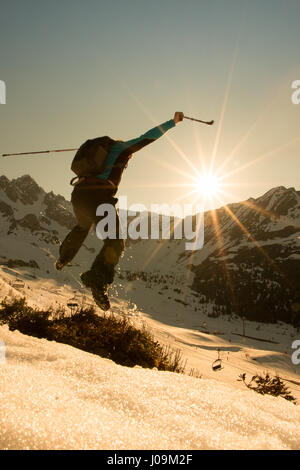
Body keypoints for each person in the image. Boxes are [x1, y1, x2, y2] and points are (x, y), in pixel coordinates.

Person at [55, 111, 184, 310]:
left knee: (82, 227)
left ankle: (64, 258)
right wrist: (172, 122)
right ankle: (97, 280)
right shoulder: (122, 149)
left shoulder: (100, 157)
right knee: (116, 241)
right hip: (99, 196)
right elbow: (146, 138)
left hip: (79, 194)